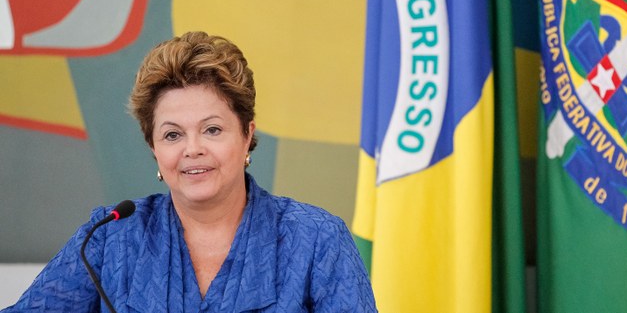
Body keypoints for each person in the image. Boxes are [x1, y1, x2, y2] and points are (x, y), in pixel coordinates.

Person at [3, 31, 377, 312]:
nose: (192, 148)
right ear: (154, 148)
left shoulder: (316, 240)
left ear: (247, 135)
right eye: (172, 135)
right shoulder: (111, 238)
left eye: (212, 129)